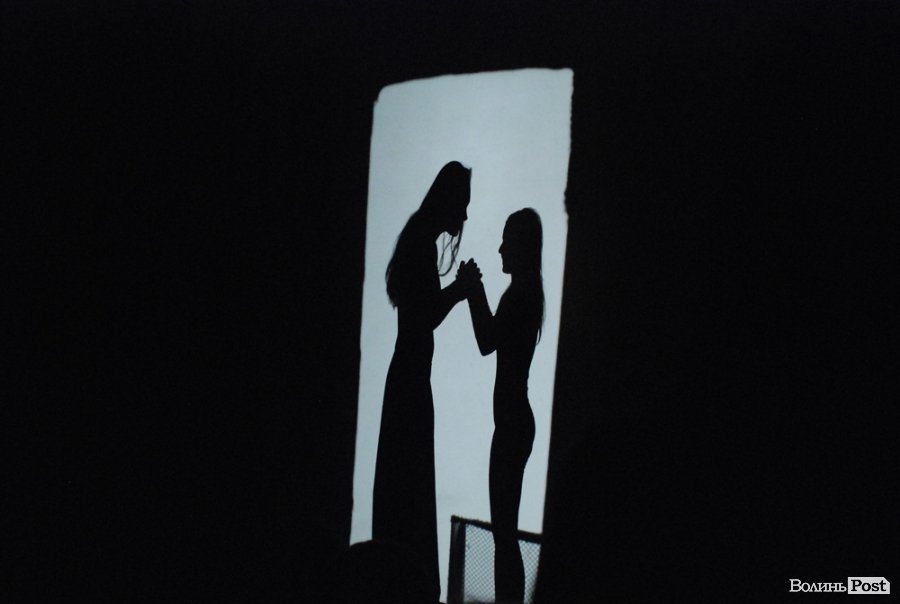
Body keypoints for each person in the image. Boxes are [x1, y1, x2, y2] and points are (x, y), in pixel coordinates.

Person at [372, 160, 477, 602]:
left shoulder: (417, 239)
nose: (465, 214)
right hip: (412, 382)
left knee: (402, 485)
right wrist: (461, 289)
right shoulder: (422, 245)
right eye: (463, 204)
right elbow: (426, 315)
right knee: (411, 485)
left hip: (409, 378)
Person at [458, 208, 544, 603]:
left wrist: (473, 290)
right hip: (515, 423)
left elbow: (485, 340)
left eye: (507, 240)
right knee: (504, 535)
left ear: (520, 245)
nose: (500, 249)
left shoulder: (519, 296)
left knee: (504, 537)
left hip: (511, 425)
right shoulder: (527, 294)